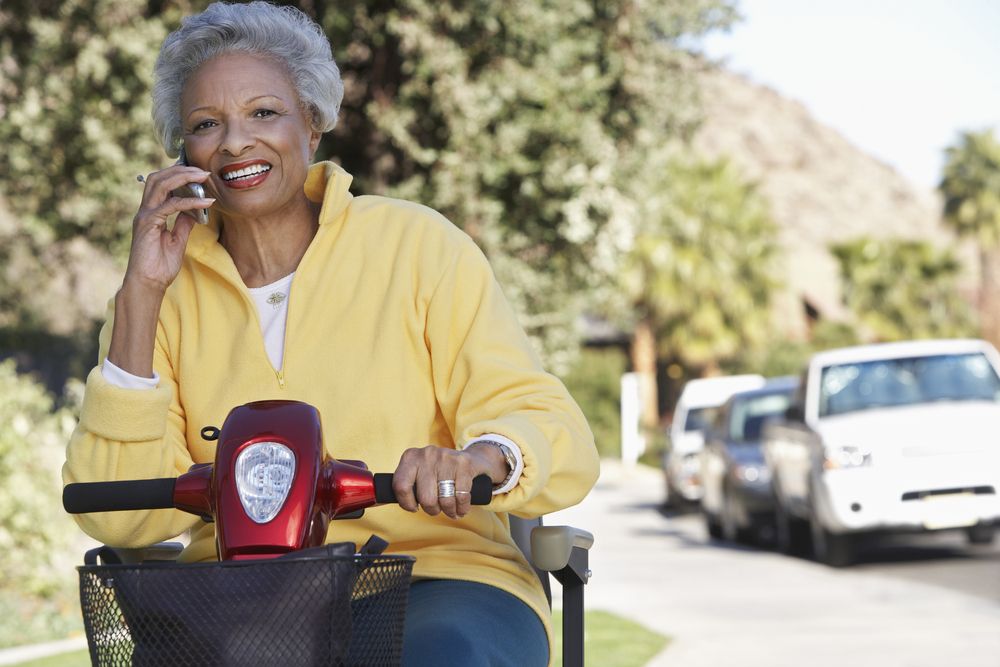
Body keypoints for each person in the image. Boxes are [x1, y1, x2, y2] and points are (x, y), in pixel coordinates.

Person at [62, 3, 599, 666]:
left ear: (311, 125)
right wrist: (141, 292)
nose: (235, 143)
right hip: (238, 601)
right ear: (184, 153)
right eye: (207, 124)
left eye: (264, 113)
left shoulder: (416, 246)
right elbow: (119, 517)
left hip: (436, 576)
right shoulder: (157, 295)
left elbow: (549, 423)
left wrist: (478, 459)